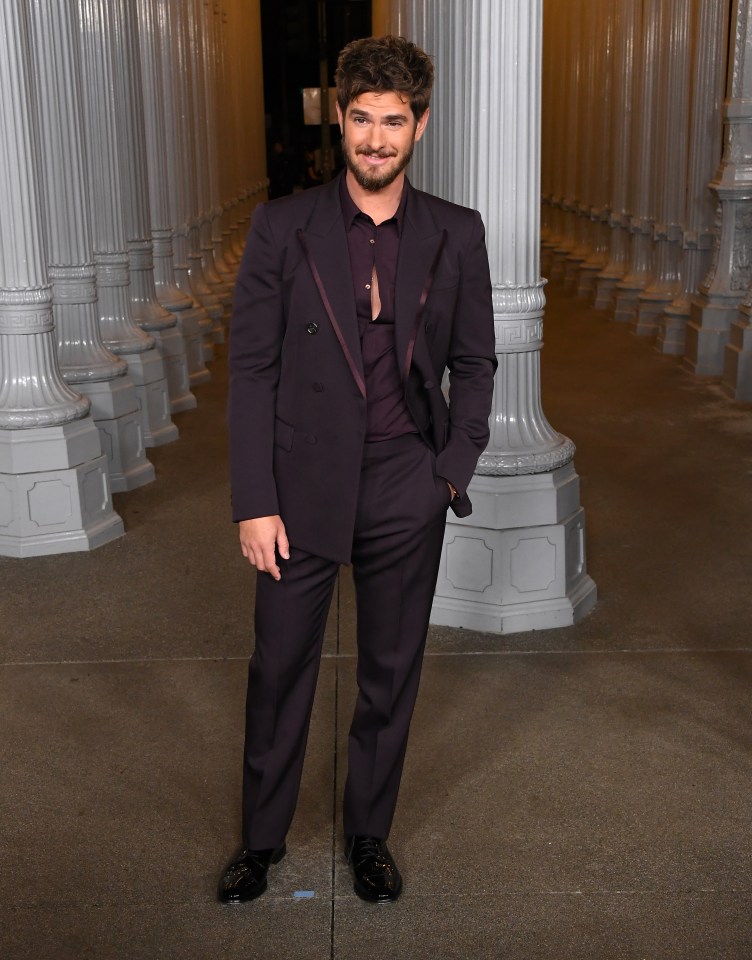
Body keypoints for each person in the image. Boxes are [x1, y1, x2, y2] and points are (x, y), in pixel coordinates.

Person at [220, 34, 496, 905]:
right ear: (339, 119)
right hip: (299, 488)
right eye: (362, 120)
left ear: (419, 126)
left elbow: (478, 362)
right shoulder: (282, 227)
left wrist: (449, 471)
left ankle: (369, 835)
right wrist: (254, 501)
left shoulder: (457, 232)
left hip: (403, 482)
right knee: (280, 670)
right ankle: (260, 842)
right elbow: (252, 371)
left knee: (389, 671)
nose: (377, 139)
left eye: (395, 122)